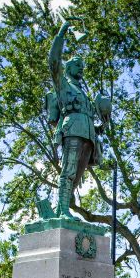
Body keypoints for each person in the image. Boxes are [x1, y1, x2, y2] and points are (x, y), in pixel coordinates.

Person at [43, 17, 108, 220]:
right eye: (77, 65)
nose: (81, 68)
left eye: (82, 66)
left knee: (77, 177)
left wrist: (100, 127)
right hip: (72, 131)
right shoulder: (63, 84)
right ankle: (61, 210)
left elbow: (88, 117)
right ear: (69, 68)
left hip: (88, 136)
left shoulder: (83, 92)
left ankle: (64, 208)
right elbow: (53, 61)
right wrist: (62, 33)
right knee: (68, 171)